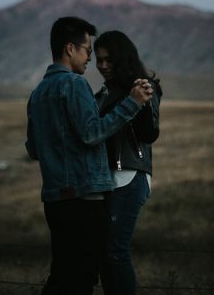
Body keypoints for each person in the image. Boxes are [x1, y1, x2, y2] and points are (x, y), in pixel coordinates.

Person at [26, 17, 154, 295]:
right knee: (82, 277)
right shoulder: (75, 85)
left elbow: (33, 148)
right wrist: (132, 103)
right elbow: (91, 133)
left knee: (61, 273)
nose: (89, 59)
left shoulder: (37, 94)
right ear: (70, 49)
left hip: (53, 199)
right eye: (87, 51)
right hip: (84, 198)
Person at [93, 30, 162, 295]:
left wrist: (139, 103)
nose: (102, 65)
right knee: (105, 256)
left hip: (130, 177)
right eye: (99, 60)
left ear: (123, 58)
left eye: (109, 59)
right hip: (105, 179)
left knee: (115, 253)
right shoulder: (104, 92)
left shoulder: (143, 87)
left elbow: (150, 134)